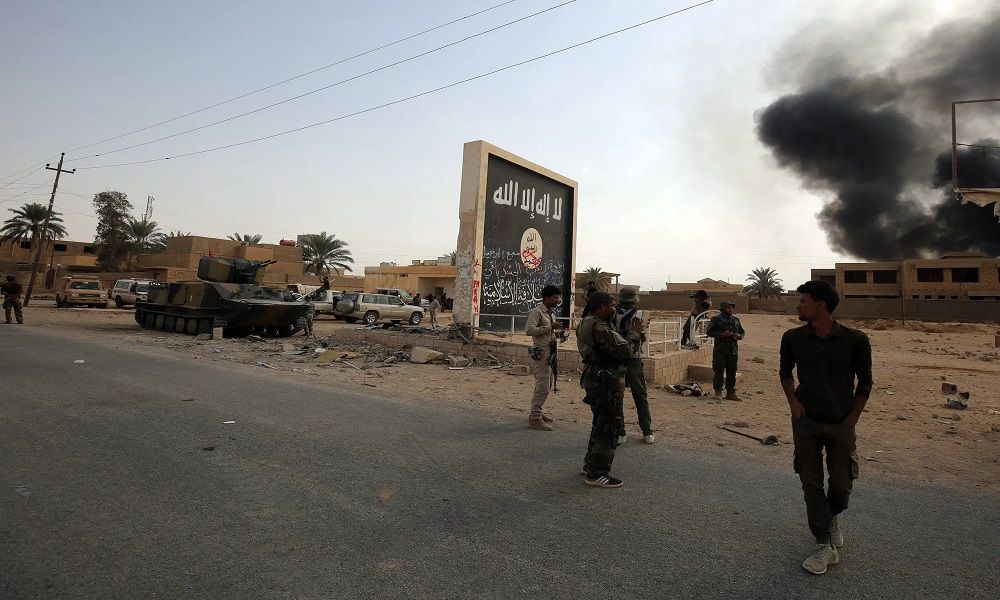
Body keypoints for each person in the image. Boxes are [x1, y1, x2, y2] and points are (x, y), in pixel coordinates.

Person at [780, 280, 872, 575]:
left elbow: (865, 383)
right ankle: (824, 544)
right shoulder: (792, 338)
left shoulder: (855, 340)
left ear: (820, 304)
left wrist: (851, 420)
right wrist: (793, 401)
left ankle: (830, 518)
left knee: (842, 485)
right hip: (805, 423)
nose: (798, 305)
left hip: (840, 423)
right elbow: (785, 373)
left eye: (802, 300)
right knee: (811, 482)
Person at [577, 291, 635, 488]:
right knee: (609, 426)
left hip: (595, 378)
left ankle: (590, 464)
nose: (614, 308)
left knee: (600, 423)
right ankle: (598, 474)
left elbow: (609, 345)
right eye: (612, 305)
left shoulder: (586, 322)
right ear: (602, 306)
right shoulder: (599, 326)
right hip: (605, 381)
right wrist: (635, 334)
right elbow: (625, 351)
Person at [614, 288, 654, 444]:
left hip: (621, 357)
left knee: (621, 396)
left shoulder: (613, 313)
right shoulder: (636, 314)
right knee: (637, 395)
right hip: (630, 357)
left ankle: (623, 431)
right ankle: (646, 431)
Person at [524, 285, 563, 430]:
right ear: (547, 298)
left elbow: (548, 333)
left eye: (558, 298)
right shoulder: (537, 312)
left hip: (550, 354)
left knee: (548, 385)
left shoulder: (550, 314)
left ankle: (538, 412)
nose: (558, 300)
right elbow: (529, 330)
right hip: (541, 354)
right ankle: (535, 418)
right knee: (543, 386)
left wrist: (560, 334)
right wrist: (550, 327)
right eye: (555, 297)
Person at [706, 301, 746, 400]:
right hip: (720, 350)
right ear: (723, 309)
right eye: (728, 307)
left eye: (732, 307)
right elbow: (709, 332)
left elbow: (742, 331)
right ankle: (718, 391)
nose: (731, 309)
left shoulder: (736, 320)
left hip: (733, 350)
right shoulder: (716, 319)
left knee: (732, 372)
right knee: (719, 371)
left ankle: (730, 393)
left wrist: (739, 336)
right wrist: (722, 334)